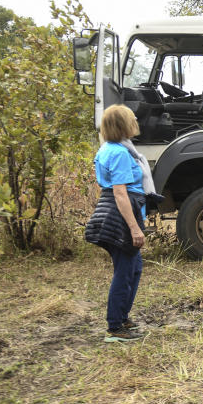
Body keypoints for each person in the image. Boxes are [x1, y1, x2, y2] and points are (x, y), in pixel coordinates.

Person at [84, 105, 151, 343]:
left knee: (133, 269)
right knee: (125, 272)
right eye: (132, 119)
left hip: (114, 212)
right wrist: (134, 228)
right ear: (123, 125)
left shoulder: (108, 148)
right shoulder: (121, 153)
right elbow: (120, 193)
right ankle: (115, 327)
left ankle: (121, 318)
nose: (136, 122)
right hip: (121, 216)